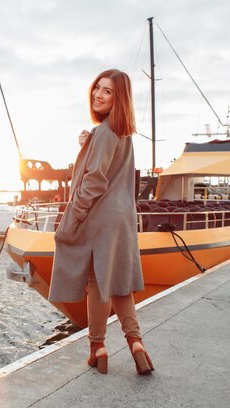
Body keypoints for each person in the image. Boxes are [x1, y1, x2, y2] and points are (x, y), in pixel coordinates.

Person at [49, 69, 154, 375]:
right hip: (122, 216)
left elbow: (94, 182)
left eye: (107, 91)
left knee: (98, 283)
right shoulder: (119, 132)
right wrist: (88, 139)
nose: (98, 94)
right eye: (97, 87)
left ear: (118, 98)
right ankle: (136, 343)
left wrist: (71, 218)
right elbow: (105, 160)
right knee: (119, 284)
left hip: (101, 216)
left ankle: (98, 347)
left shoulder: (106, 133)